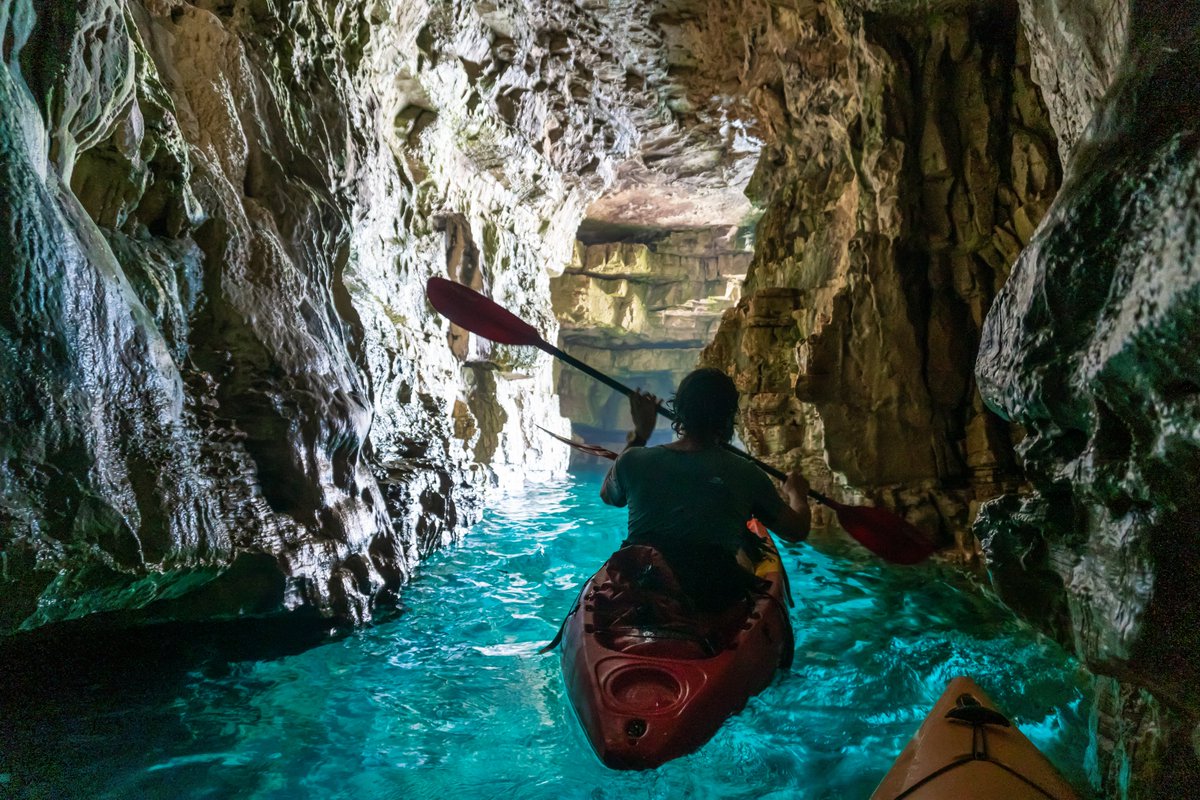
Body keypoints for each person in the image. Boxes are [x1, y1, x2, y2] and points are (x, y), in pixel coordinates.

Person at [600, 367, 811, 611]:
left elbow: (608, 496)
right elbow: (796, 531)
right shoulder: (746, 474)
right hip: (709, 598)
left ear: (678, 411)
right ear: (729, 417)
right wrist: (798, 495)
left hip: (640, 588)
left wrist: (639, 435)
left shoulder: (633, 460)